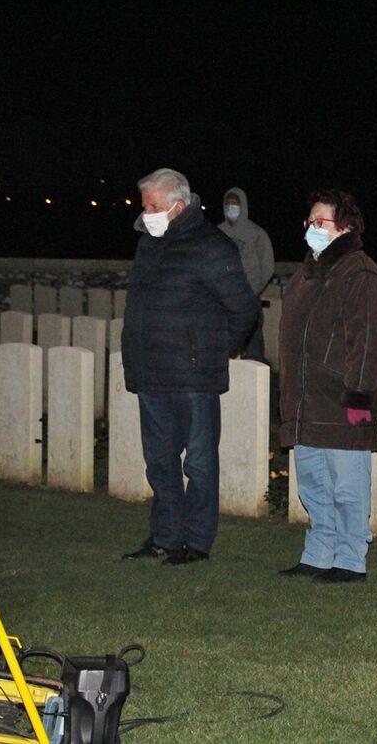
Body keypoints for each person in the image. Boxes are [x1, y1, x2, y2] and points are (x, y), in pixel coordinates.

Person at [120, 168, 258, 565]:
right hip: (151, 373)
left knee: (198, 463)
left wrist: (214, 350)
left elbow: (244, 308)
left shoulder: (210, 246)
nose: (146, 213)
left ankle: (196, 542)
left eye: (153, 206)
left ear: (178, 206)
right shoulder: (150, 243)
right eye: (144, 205)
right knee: (160, 463)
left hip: (194, 377)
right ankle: (164, 536)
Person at [277, 190, 377, 584]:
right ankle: (319, 552)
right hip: (306, 400)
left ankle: (351, 558)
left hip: (342, 399)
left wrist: (359, 396)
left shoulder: (360, 273)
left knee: (347, 485)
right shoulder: (307, 273)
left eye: (320, 222)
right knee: (313, 484)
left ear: (345, 226)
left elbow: (370, 339)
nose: (311, 229)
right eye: (308, 222)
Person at [218, 187, 275, 362]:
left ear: (243, 205)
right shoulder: (217, 232)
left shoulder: (257, 233)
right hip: (223, 300)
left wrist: (253, 290)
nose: (230, 207)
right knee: (222, 344)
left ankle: (256, 386)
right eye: (227, 203)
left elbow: (267, 266)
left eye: (234, 203)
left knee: (253, 345)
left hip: (249, 298)